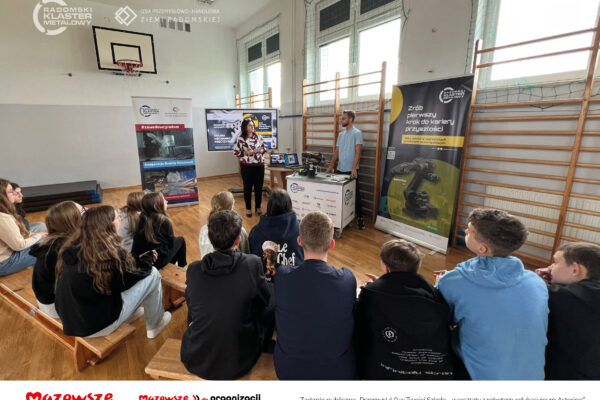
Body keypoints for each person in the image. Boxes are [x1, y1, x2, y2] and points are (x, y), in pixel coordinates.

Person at [435, 208, 548, 380]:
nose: (465, 231)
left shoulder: (452, 282)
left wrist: (442, 285)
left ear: (482, 248)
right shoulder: (536, 281)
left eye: (469, 230)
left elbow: (439, 320)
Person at [181, 210, 272, 379]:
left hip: (197, 358)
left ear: (209, 237)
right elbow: (263, 302)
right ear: (238, 240)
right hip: (239, 361)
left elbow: (192, 307)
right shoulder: (252, 263)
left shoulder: (193, 270)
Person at [55, 205, 171, 338]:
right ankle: (155, 324)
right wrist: (148, 260)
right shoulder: (107, 253)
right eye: (117, 217)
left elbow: (119, 276)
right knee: (153, 273)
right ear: (108, 225)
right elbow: (127, 279)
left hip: (72, 322)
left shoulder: (74, 249)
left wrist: (139, 260)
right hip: (96, 326)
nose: (120, 219)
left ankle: (131, 314)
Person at [355, 239, 457, 380]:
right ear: (417, 267)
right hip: (438, 374)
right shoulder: (436, 295)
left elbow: (359, 327)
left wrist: (377, 287)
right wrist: (381, 286)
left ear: (385, 267)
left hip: (387, 373)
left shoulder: (371, 294)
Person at [274, 211, 356, 380]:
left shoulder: (283, 275)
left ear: (299, 241)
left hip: (288, 372)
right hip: (337, 374)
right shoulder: (347, 279)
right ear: (332, 244)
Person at [534, 242, 600, 380]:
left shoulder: (559, 297)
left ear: (575, 269)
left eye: (556, 262)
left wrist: (536, 281)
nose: (550, 267)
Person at [30, 201, 84, 319]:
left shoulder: (54, 242)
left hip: (46, 302)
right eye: (83, 210)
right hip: (56, 307)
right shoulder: (69, 250)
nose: (87, 211)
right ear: (73, 221)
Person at [248, 189, 304, 281]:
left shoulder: (255, 232)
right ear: (290, 206)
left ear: (269, 207)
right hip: (295, 283)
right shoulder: (302, 231)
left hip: (264, 284)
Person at [325, 110, 365, 230]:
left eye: (343, 118)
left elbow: (358, 151)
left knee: (355, 195)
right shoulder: (341, 135)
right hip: (340, 169)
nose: (341, 120)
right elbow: (337, 151)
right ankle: (341, 220)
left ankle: (360, 219)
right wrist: (331, 165)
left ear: (350, 119)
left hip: (351, 171)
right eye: (341, 118)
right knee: (340, 196)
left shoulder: (357, 133)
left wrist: (353, 168)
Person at [0, 178, 47, 276]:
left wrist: (36, 236)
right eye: (11, 192)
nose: (15, 194)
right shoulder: (3, 218)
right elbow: (19, 245)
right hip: (3, 263)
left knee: (43, 236)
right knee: (50, 247)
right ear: (2, 196)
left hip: (6, 256)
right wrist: (38, 236)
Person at [132, 192, 187, 269]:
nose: (166, 201)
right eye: (164, 200)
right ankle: (183, 267)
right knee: (181, 240)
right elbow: (171, 243)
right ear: (155, 206)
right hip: (157, 261)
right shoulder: (164, 221)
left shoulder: (141, 218)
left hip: (142, 260)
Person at [198, 191, 249, 258]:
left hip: (207, 263)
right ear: (231, 208)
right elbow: (246, 254)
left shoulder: (204, 230)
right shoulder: (240, 230)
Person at [233, 118, 267, 217]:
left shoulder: (259, 137)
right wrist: (246, 152)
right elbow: (236, 153)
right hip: (247, 167)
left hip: (259, 166)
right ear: (245, 127)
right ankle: (248, 208)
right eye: (250, 125)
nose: (252, 127)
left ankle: (258, 207)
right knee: (247, 188)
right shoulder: (240, 139)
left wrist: (262, 150)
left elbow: (265, 147)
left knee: (259, 188)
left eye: (253, 125)